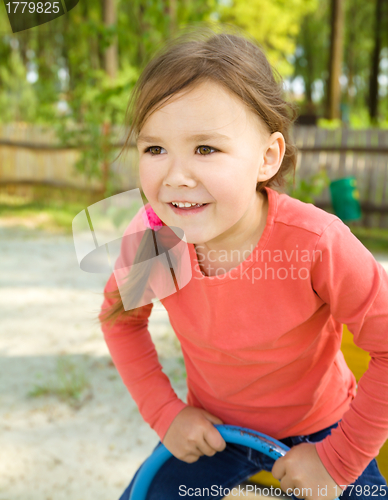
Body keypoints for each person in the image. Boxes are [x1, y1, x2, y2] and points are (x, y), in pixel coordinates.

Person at [98, 23, 388, 500]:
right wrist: (167, 415)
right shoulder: (155, 236)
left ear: (267, 158)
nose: (176, 176)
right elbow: (121, 321)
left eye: (205, 148)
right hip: (218, 434)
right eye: (154, 149)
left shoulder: (318, 243)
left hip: (325, 432)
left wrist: (338, 459)